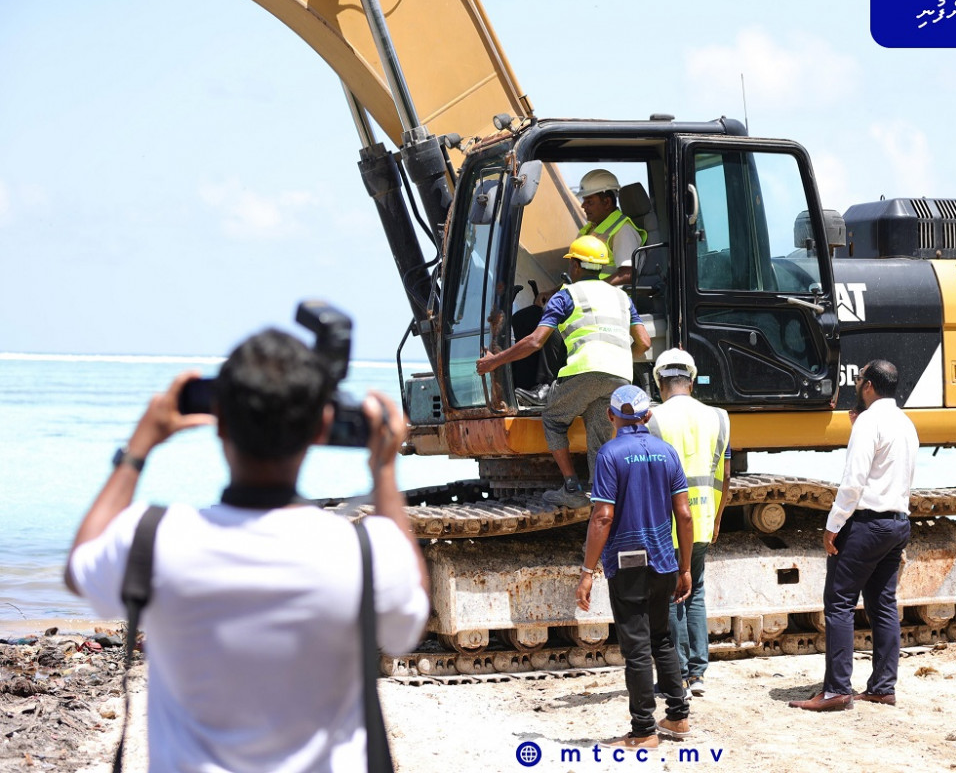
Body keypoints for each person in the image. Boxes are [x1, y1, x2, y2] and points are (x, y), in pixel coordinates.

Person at [65, 329, 430, 770]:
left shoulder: (153, 540)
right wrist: (384, 470)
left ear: (218, 419)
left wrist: (138, 448)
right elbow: (408, 624)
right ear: (322, 428)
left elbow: (78, 567)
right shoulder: (363, 554)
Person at [477, 235, 651, 507]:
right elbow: (644, 342)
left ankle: (571, 487)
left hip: (585, 372)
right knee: (598, 430)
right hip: (620, 377)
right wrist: (620, 359)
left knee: (553, 419)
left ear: (576, 267)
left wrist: (494, 361)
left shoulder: (567, 296)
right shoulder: (622, 298)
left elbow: (535, 342)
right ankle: (599, 493)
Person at [791, 359, 917, 712]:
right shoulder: (906, 423)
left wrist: (833, 525)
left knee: (840, 602)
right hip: (897, 523)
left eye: (859, 379)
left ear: (869, 386)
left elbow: (853, 481)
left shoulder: (868, 423)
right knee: (883, 604)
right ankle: (882, 687)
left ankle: (837, 690)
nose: (857, 384)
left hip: (867, 524)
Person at [575, 385, 693, 748]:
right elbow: (685, 515)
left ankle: (643, 731)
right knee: (661, 638)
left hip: (627, 565)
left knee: (637, 647)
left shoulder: (609, 454)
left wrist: (587, 572)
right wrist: (685, 568)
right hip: (664, 561)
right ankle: (678, 717)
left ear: (611, 416)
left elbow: (603, 516)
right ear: (648, 415)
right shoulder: (667, 452)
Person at [646, 349, 731, 697]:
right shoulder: (719, 418)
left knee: (670, 596)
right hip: (704, 519)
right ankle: (697, 675)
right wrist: (718, 517)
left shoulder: (653, 419)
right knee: (695, 591)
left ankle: (677, 674)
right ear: (692, 381)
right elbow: (726, 474)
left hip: (668, 524)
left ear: (659, 382)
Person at [576, 169, 647, 287]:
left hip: (608, 298)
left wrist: (592, 290)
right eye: (584, 200)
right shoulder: (588, 230)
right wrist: (553, 292)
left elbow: (628, 274)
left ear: (607, 202)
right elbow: (576, 273)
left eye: (589, 202)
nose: (583, 206)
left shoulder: (622, 230)